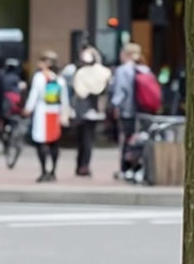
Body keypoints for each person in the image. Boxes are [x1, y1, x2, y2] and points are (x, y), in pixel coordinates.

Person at [23, 51, 70, 183]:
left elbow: (34, 95)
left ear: (46, 63)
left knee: (41, 142)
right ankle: (53, 171)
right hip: (55, 113)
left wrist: (28, 109)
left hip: (42, 112)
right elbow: (64, 99)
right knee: (54, 142)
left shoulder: (39, 77)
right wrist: (64, 114)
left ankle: (44, 171)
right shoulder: (60, 80)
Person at [110, 43, 150, 180]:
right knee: (140, 139)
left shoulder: (123, 70)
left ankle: (125, 168)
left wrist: (115, 106)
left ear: (125, 54)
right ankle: (138, 167)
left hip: (127, 111)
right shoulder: (144, 69)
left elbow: (121, 91)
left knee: (127, 140)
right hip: (143, 110)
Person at [71, 46, 112, 177]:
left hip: (82, 109)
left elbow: (79, 92)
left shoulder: (81, 73)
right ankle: (84, 165)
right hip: (95, 109)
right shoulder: (104, 72)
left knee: (82, 138)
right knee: (88, 138)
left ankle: (81, 165)